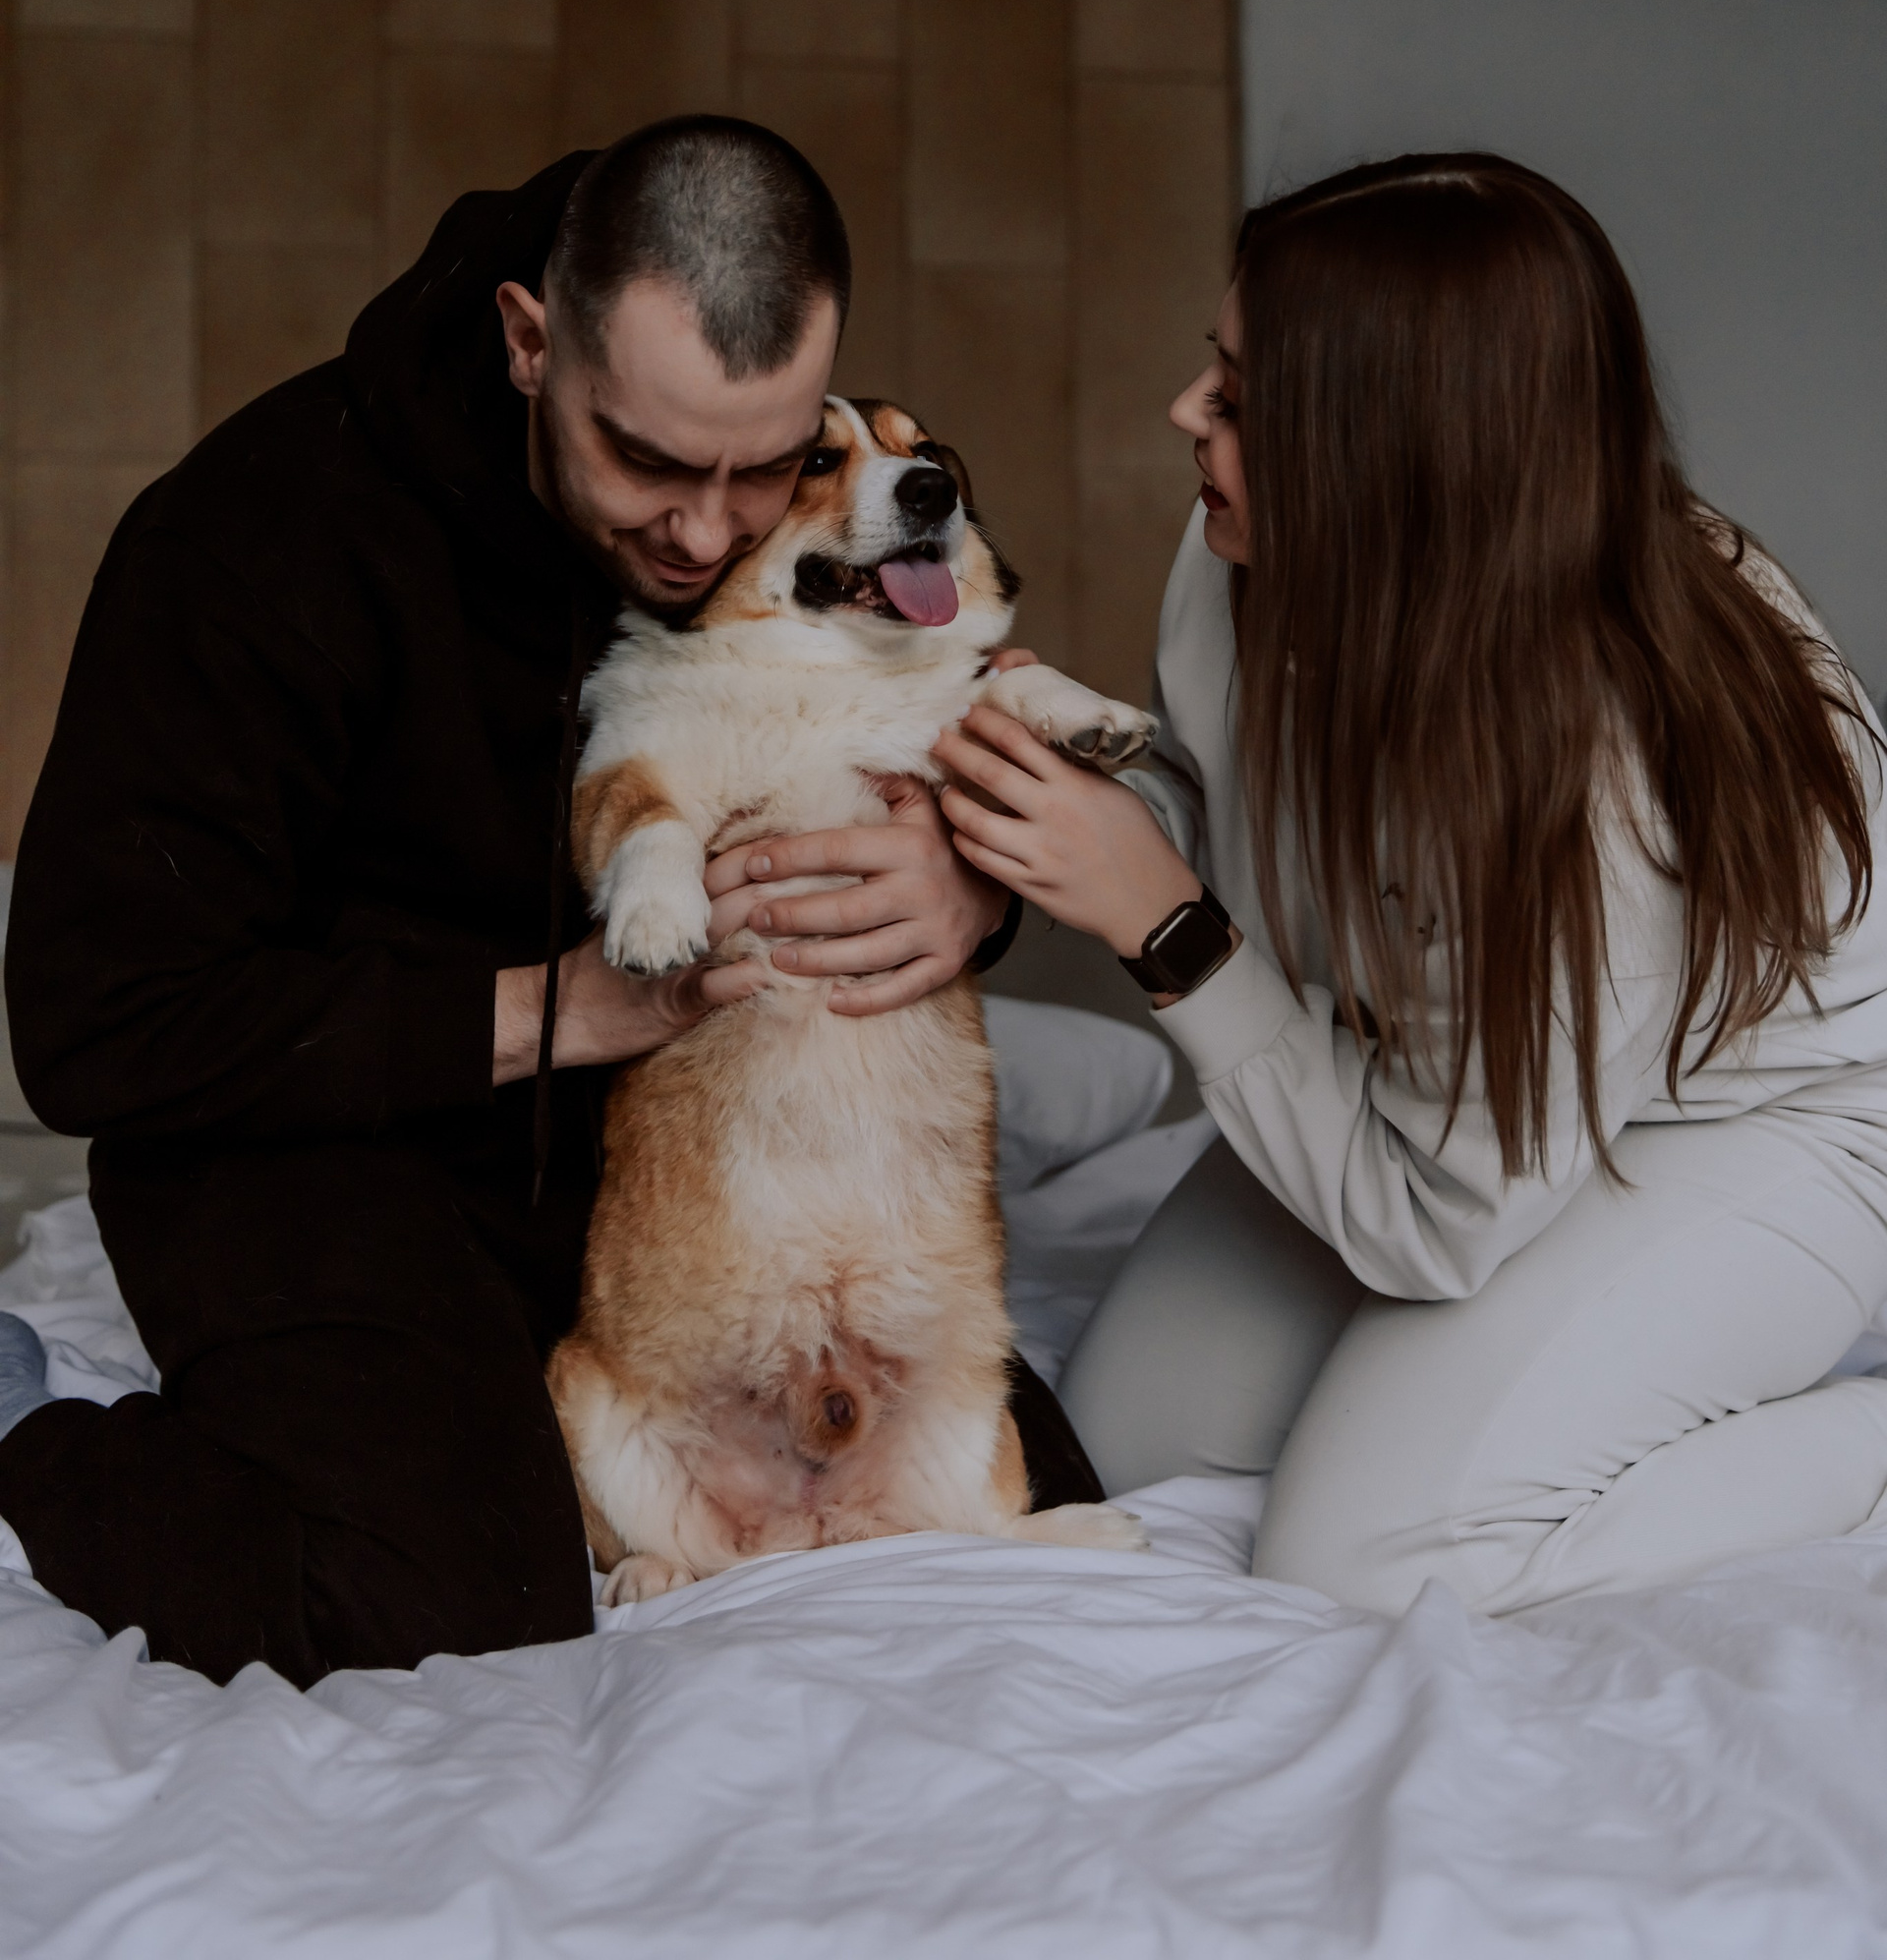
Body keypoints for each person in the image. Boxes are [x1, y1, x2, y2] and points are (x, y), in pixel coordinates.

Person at [0, 116, 1093, 1688]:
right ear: (530, 341)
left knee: (1005, 1497)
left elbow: (924, 694)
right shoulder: (249, 540)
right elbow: (94, 1029)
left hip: (658, 1163)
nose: (706, 532)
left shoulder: (755, 480)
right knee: (448, 1608)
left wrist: (968, 887)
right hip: (311, 1145)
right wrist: (555, 1009)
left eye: (763, 470)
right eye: (644, 463)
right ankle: (23, 1425)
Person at [937, 151, 1887, 1617]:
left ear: (1376, 456)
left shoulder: (1596, 779)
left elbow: (1434, 1227)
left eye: (1239, 400)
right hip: (1460, 1079)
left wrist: (1165, 929)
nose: (1187, 412)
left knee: (1372, 1557)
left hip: (1751, 1124)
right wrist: (1069, 801)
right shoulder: (1250, 543)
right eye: (1215, 367)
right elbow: (1221, 784)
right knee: (1127, 1447)